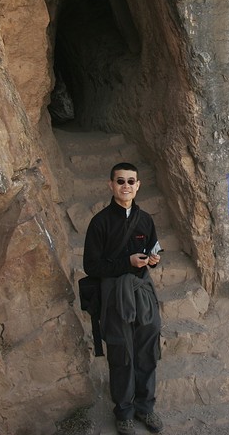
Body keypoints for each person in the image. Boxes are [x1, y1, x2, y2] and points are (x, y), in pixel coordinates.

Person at [83, 162, 163, 435]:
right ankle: (125, 412)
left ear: (138, 186)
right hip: (114, 295)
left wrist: (153, 260)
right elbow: (91, 267)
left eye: (131, 181)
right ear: (111, 185)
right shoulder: (100, 222)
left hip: (142, 293)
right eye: (120, 181)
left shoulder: (146, 220)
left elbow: (153, 249)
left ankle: (146, 407)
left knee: (147, 350)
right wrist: (126, 263)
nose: (126, 186)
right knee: (121, 353)